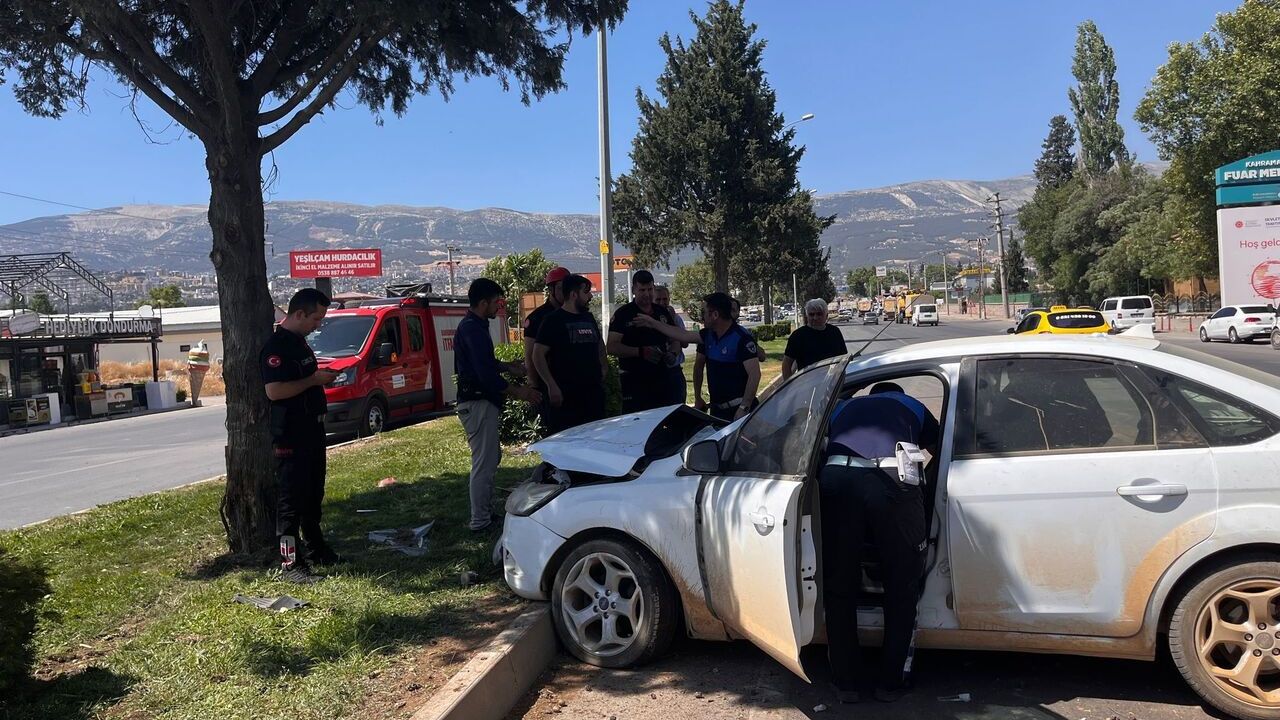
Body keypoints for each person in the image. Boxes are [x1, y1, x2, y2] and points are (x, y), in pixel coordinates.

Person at [819, 382, 939, 703]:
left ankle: (846, 683)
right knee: (902, 585)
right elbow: (939, 449)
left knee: (839, 584)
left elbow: (819, 446)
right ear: (900, 393)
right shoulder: (912, 405)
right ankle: (891, 682)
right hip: (892, 480)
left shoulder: (843, 408)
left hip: (838, 478)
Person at [261, 288, 340, 583]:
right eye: (315, 319)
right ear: (298, 314)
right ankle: (290, 564)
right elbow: (274, 391)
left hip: (311, 429)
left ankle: (316, 549)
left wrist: (320, 378)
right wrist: (313, 380)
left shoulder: (299, 343)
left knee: (313, 494)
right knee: (291, 501)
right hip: (291, 433)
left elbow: (304, 378)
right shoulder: (277, 346)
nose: (318, 325)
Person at [455, 278, 541, 532]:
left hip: (479, 402)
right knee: (484, 462)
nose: (498, 307)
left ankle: (484, 514)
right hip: (477, 402)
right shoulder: (472, 328)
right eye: (496, 302)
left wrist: (507, 367)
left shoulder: (474, 326)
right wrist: (519, 392)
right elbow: (485, 375)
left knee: (490, 458)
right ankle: (480, 520)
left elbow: (484, 363)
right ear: (483, 303)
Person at [631, 292, 761, 421]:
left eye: (704, 312)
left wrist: (744, 407)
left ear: (715, 315)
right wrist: (653, 323)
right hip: (718, 410)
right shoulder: (709, 335)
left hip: (740, 410)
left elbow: (754, 374)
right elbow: (683, 335)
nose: (702, 317)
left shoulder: (741, 338)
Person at [532, 274, 607, 434]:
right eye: (586, 292)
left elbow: (599, 344)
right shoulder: (553, 320)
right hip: (567, 398)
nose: (590, 296)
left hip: (593, 395)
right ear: (574, 294)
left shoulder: (589, 317)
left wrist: (603, 366)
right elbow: (537, 355)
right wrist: (551, 385)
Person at [607, 270, 681, 412]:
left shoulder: (661, 312)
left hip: (662, 377)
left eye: (649, 289)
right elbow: (611, 347)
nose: (646, 294)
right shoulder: (623, 314)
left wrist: (673, 353)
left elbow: (675, 339)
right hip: (634, 379)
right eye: (642, 290)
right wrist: (640, 352)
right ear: (633, 290)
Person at [522, 266, 570, 396]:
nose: (565, 292)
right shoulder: (536, 318)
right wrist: (534, 386)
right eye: (561, 288)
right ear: (551, 290)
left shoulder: (574, 314)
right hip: (547, 385)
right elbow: (530, 355)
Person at [782, 298, 847, 379]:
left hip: (831, 382)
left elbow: (843, 359)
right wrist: (789, 384)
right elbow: (787, 363)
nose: (815, 318)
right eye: (811, 314)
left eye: (819, 314)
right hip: (807, 383)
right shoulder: (798, 336)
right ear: (807, 316)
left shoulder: (835, 332)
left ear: (826, 316)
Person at [653, 285, 688, 405]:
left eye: (665, 299)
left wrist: (672, 321)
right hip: (655, 371)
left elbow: (685, 343)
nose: (662, 303)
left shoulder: (676, 318)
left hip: (674, 370)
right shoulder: (649, 319)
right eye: (658, 300)